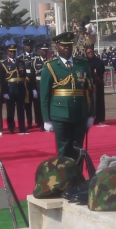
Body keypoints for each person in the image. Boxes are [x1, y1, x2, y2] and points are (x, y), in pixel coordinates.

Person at [40, 32, 95, 160]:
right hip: (59, 114)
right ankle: (65, 178)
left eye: (69, 46)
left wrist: (91, 114)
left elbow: (89, 91)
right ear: (57, 47)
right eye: (64, 46)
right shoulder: (50, 66)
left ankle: (78, 178)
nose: (67, 48)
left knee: (78, 149)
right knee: (63, 151)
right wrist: (46, 119)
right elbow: (45, 95)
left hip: (80, 113)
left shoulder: (82, 64)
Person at [0, 44, 28, 134]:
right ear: (7, 52)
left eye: (14, 51)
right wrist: (4, 92)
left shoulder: (21, 62)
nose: (12, 53)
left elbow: (24, 76)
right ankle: (11, 127)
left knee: (21, 108)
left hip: (20, 88)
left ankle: (22, 127)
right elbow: (2, 79)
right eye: (10, 51)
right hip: (10, 88)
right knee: (10, 109)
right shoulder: (4, 63)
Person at [29, 43, 48, 131]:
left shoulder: (50, 61)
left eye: (45, 50)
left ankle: (47, 122)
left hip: (48, 85)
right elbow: (32, 76)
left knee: (47, 105)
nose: (44, 52)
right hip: (38, 84)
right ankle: (40, 123)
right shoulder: (35, 61)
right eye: (42, 50)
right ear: (39, 50)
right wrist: (33, 89)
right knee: (39, 106)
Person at [85, 47, 106, 124]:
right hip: (87, 85)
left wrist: (96, 72)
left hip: (97, 84)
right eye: (88, 53)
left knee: (98, 101)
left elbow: (101, 69)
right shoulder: (85, 61)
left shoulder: (98, 61)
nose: (90, 54)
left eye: (91, 52)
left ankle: (99, 118)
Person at [19, 39, 36, 129]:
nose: (29, 47)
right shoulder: (20, 58)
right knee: (27, 105)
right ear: (24, 46)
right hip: (26, 85)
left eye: (30, 45)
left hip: (36, 84)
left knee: (37, 105)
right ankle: (29, 123)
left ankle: (39, 122)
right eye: (27, 45)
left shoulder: (37, 57)